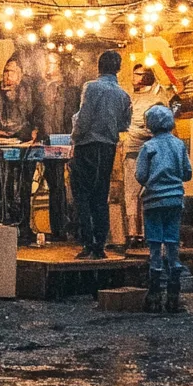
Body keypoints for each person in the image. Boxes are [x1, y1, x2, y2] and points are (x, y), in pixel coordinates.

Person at [70, 50, 132, 260]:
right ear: (118, 69)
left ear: (99, 66)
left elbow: (84, 119)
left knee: (82, 196)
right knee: (100, 196)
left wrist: (74, 135)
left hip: (87, 146)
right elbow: (125, 124)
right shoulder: (123, 95)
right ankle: (100, 245)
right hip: (108, 149)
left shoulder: (92, 88)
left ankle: (87, 243)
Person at [0, 57, 41, 242]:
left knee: (24, 190)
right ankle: (1, 228)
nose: (7, 76)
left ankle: (23, 230)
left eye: (11, 72)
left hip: (24, 148)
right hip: (0, 149)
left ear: (20, 75)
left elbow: (39, 117)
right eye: (5, 71)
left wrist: (35, 132)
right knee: (1, 189)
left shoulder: (29, 92)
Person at [135, 104, 193, 313]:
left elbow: (141, 176)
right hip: (175, 200)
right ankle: (174, 297)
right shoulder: (179, 145)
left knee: (154, 245)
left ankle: (154, 296)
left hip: (153, 201)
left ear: (150, 124)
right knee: (172, 243)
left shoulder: (148, 147)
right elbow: (187, 173)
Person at [36, 50, 80, 239]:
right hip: (48, 142)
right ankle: (58, 229)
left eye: (51, 63)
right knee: (55, 185)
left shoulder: (71, 91)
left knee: (73, 186)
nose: (47, 67)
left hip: (69, 141)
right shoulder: (41, 90)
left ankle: (75, 227)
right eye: (47, 63)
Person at [123, 64, 169, 242]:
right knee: (136, 193)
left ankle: (142, 233)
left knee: (143, 193)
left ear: (145, 77)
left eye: (137, 74)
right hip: (136, 151)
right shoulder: (132, 98)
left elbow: (155, 127)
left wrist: (134, 129)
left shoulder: (156, 98)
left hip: (145, 151)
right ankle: (136, 233)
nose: (133, 78)